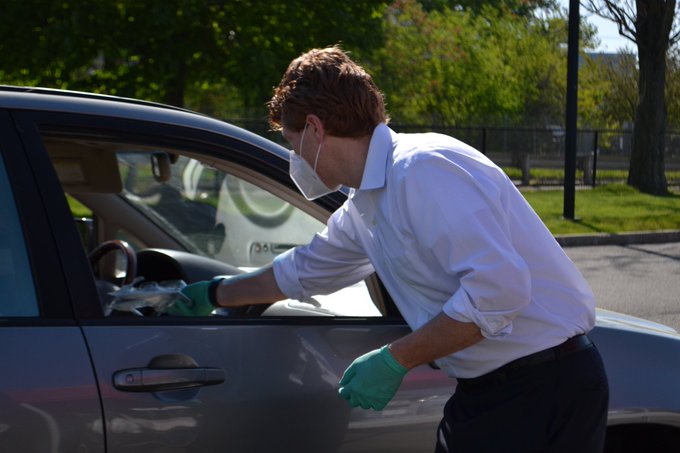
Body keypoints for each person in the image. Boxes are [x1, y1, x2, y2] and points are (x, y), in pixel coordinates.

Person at [174, 46, 609, 452]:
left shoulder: (422, 170)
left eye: (293, 145)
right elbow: (303, 271)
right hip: (495, 389)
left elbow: (499, 292)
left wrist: (395, 359)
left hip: (543, 384)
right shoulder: (366, 201)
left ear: (315, 129)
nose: (296, 160)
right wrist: (214, 293)